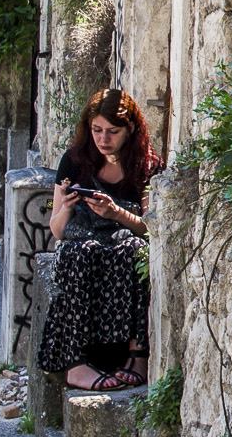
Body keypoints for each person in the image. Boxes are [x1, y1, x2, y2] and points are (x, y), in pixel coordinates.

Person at [37, 88, 158, 390]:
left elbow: (151, 228)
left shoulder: (146, 166)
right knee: (79, 254)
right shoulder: (74, 161)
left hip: (123, 239)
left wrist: (116, 213)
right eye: (97, 130)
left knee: (137, 251)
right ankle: (76, 365)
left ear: (130, 129)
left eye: (113, 132)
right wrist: (65, 207)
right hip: (84, 241)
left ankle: (137, 356)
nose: (104, 139)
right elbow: (57, 230)